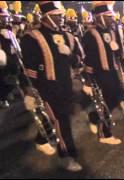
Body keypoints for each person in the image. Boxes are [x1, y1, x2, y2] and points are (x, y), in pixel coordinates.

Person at [21, 1, 84, 172]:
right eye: (57, 15)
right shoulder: (32, 36)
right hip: (46, 89)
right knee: (61, 122)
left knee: (58, 119)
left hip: (66, 86)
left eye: (61, 14)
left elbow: (79, 60)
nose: (61, 17)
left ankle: (41, 140)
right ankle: (68, 156)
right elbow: (29, 68)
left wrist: (70, 54)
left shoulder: (68, 36)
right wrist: (29, 92)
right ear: (47, 16)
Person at [82, 1, 122, 144]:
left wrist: (116, 49)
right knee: (105, 102)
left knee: (117, 96)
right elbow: (88, 58)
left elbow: (115, 52)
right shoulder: (90, 34)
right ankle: (104, 134)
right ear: (99, 17)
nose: (112, 19)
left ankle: (94, 117)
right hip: (99, 74)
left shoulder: (111, 31)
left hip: (112, 71)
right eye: (108, 16)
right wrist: (88, 80)